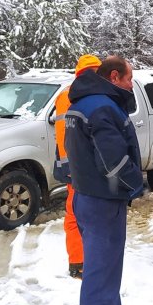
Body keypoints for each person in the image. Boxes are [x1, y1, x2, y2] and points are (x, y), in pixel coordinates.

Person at [64, 55, 147, 305]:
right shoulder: (101, 107)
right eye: (128, 78)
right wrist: (136, 184)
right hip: (102, 204)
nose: (130, 84)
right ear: (114, 77)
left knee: (107, 272)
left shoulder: (83, 103)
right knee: (99, 279)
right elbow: (114, 163)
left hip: (88, 198)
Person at [53, 54, 102, 279]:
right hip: (85, 167)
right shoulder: (94, 96)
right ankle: (88, 262)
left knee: (73, 216)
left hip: (67, 164)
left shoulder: (64, 95)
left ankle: (76, 262)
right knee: (92, 217)